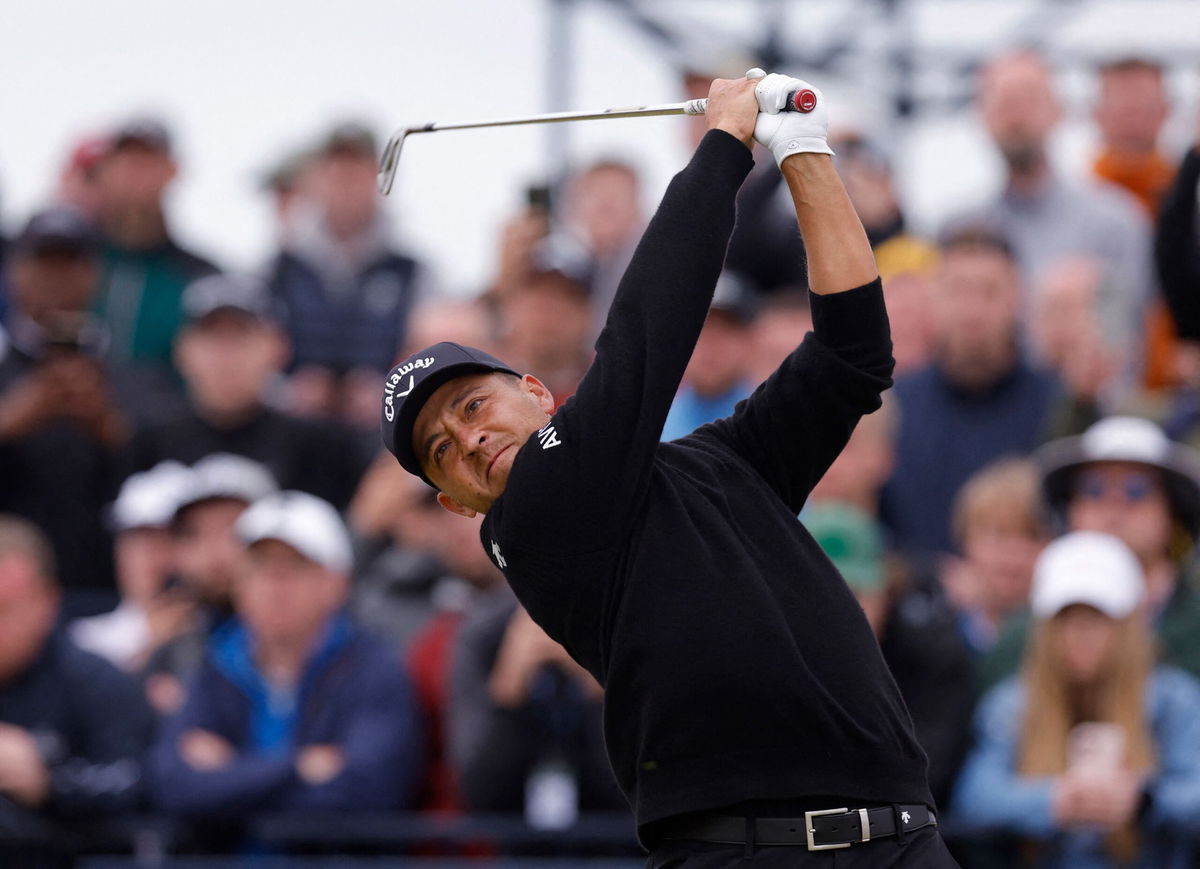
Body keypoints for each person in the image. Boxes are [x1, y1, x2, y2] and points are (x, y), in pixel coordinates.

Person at [380, 71, 956, 865]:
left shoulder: (718, 463)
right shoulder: (531, 522)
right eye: (441, 450)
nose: (468, 439)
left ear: (539, 393)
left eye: (473, 407)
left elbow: (854, 354)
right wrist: (725, 146)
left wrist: (803, 151)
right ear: (453, 503)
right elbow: (646, 333)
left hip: (902, 839)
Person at [148, 490, 423, 820]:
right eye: (258, 566)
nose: (273, 584)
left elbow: (370, 793)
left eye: (294, 566)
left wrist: (232, 775)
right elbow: (174, 786)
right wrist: (300, 766)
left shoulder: (376, 670)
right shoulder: (215, 664)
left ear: (336, 583)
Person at [952, 531, 1200, 868]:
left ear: (1127, 626)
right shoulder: (1012, 704)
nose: (1081, 635)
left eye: (1097, 619)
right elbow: (974, 795)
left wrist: (1143, 800)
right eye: (1067, 620)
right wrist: (1052, 800)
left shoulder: (1174, 700)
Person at [880, 225, 1067, 559]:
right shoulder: (895, 408)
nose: (973, 310)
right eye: (958, 290)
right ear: (933, 298)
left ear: (1018, 300)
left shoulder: (1057, 405)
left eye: (990, 292)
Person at [979, 416, 1200, 693]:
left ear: (1173, 513)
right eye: (1093, 488)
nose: (1113, 503)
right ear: (1069, 510)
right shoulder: (1024, 636)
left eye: (1136, 489)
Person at [957, 49, 1152, 362]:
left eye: (1027, 100)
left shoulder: (1115, 221)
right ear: (981, 115)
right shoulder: (959, 230)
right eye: (1003, 103)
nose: (1015, 117)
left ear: (1058, 110)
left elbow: (1127, 342)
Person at [129, 272, 369, 509]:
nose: (226, 356)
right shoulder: (145, 449)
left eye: (241, 336)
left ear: (279, 348)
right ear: (182, 350)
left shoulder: (322, 451)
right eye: (212, 337)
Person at [0, 516, 155, 841]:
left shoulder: (95, 681)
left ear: (47, 603)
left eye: (3, 609)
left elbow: (137, 782)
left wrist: (47, 781)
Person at [266, 122, 429, 426]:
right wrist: (287, 391)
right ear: (316, 178)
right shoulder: (277, 268)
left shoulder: (414, 270)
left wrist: (390, 391)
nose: (346, 183)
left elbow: (432, 347)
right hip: (291, 431)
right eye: (336, 170)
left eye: (357, 170)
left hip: (385, 430)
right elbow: (253, 352)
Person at [90, 117, 218, 374]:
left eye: (148, 161)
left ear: (173, 171)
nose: (136, 173)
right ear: (103, 171)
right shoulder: (68, 261)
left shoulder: (202, 277)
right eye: (126, 161)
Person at [70, 460, 193, 672]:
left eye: (172, 539)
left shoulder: (234, 635)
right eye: (143, 542)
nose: (159, 558)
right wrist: (150, 642)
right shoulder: (85, 641)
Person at [660, 271, 758, 440]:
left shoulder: (769, 421)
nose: (713, 345)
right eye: (700, 331)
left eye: (726, 331)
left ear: (749, 341)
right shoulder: (653, 424)